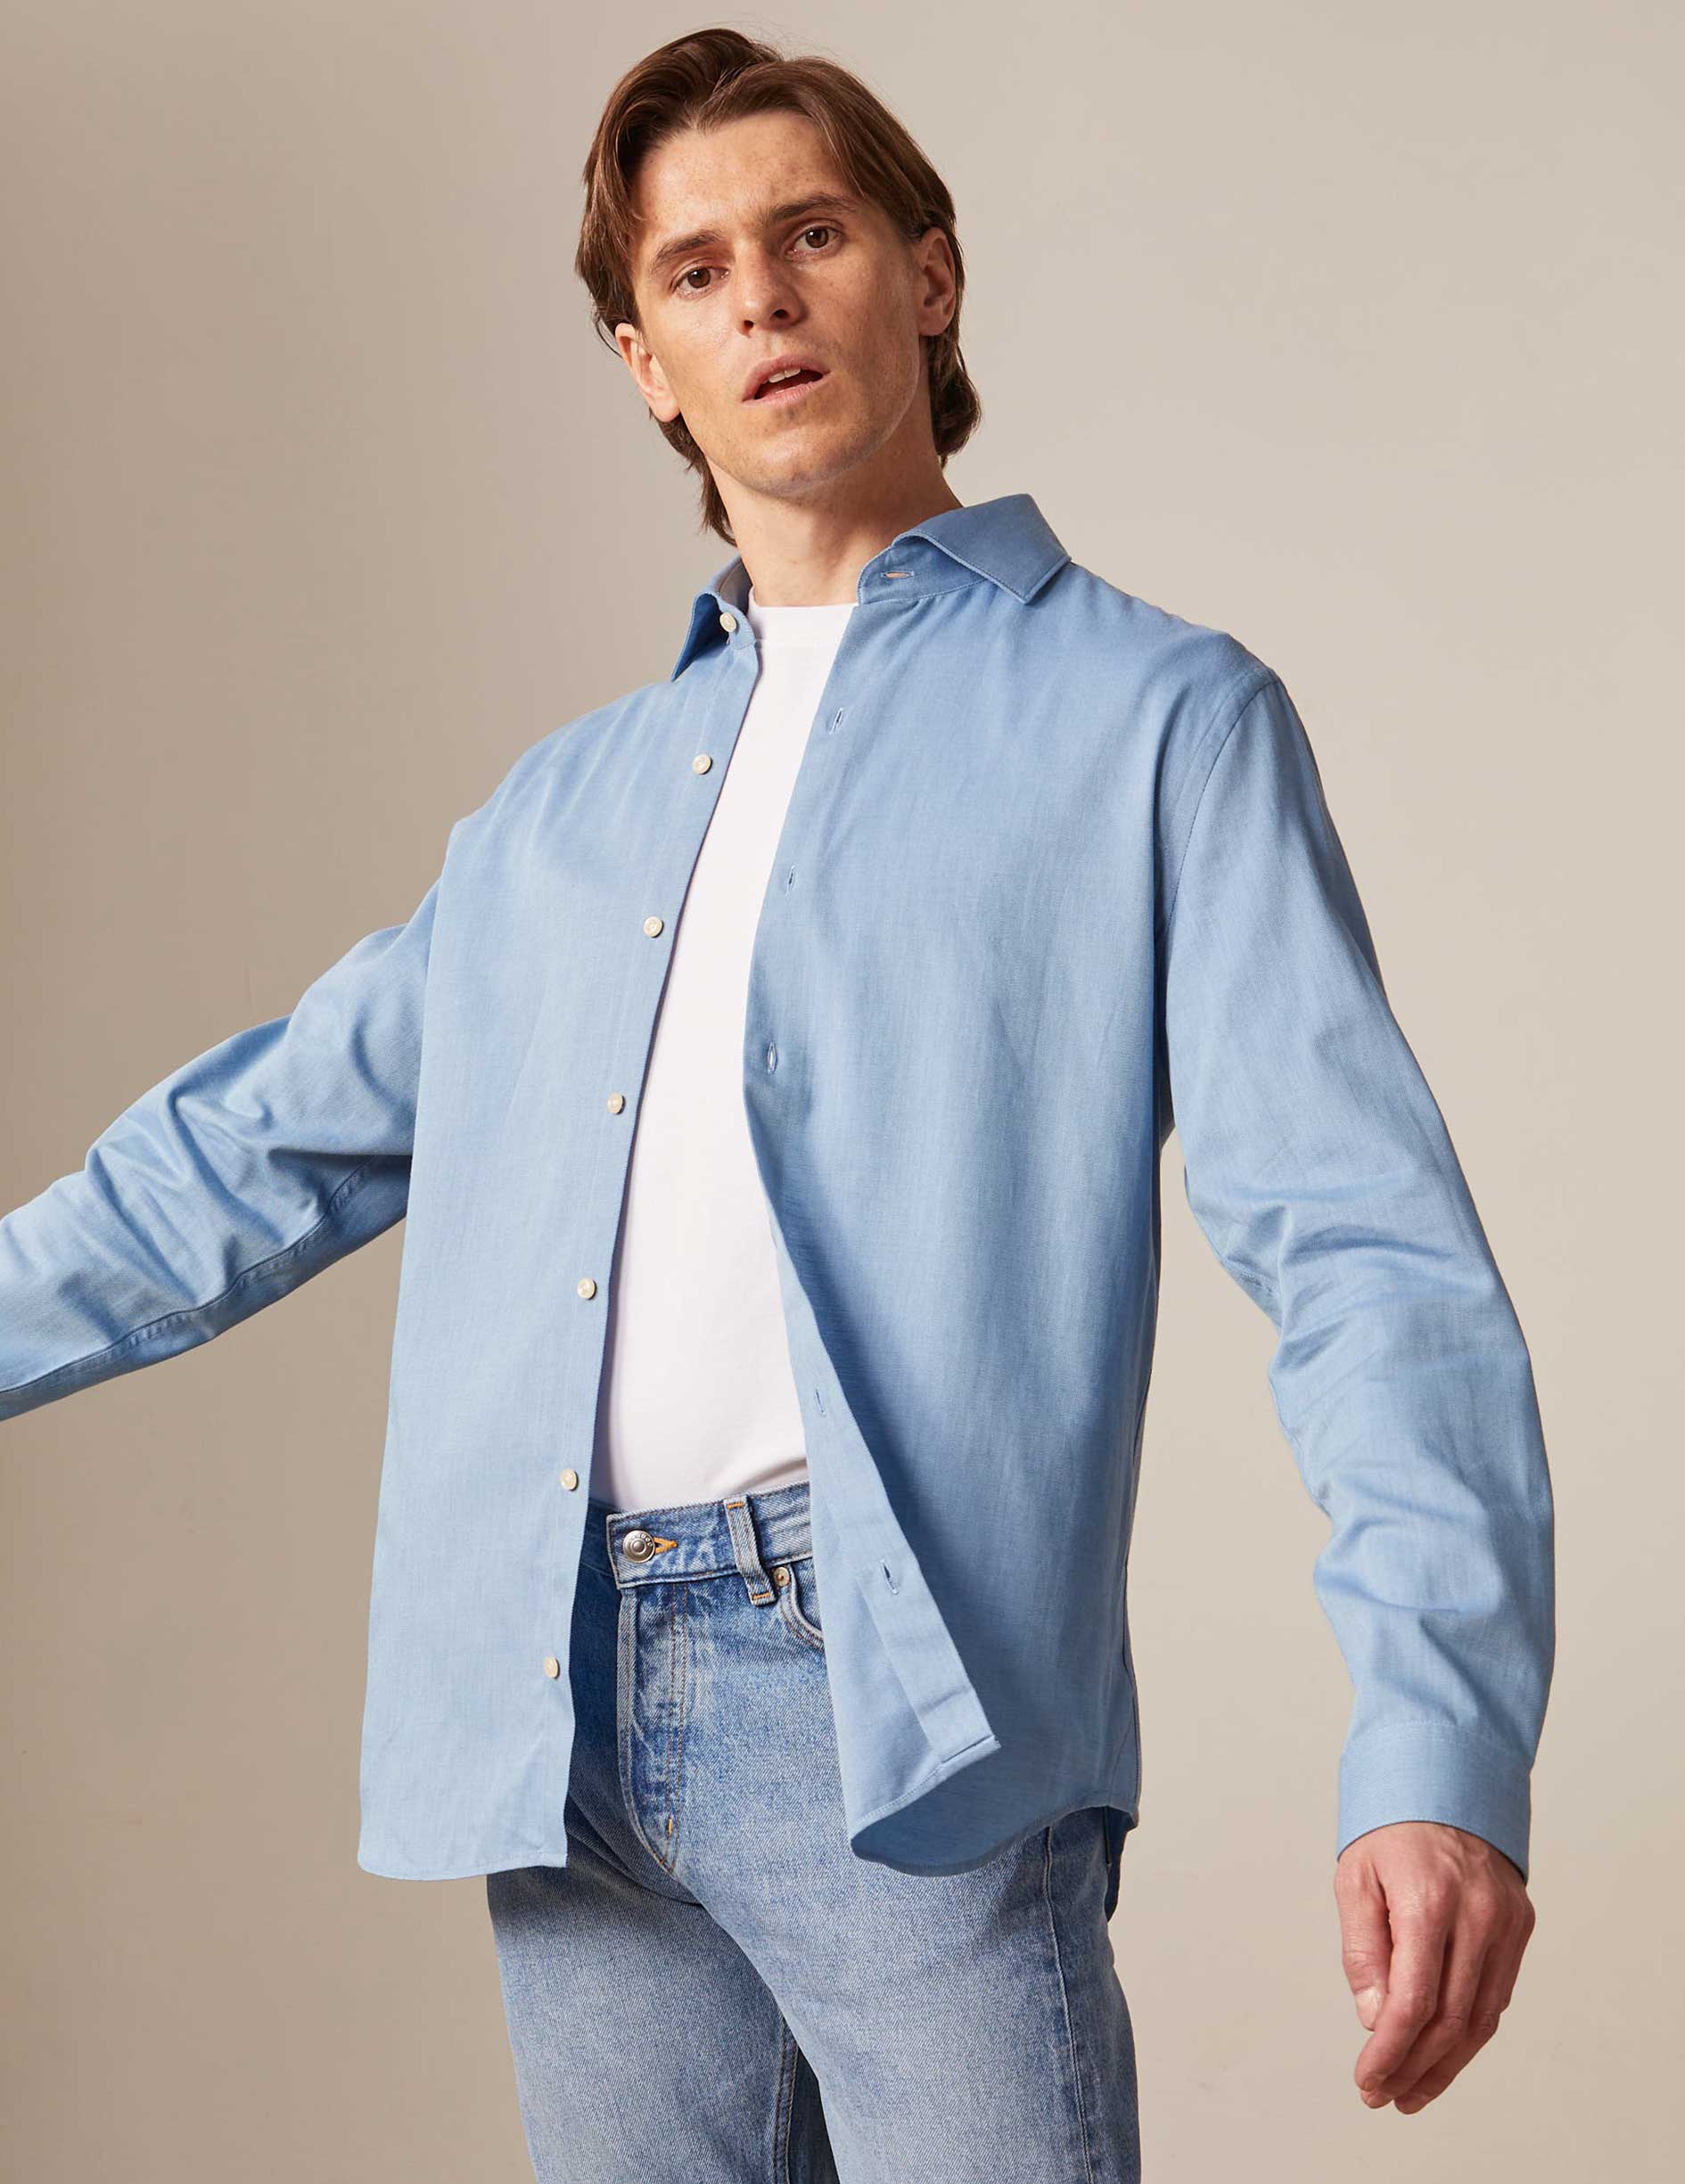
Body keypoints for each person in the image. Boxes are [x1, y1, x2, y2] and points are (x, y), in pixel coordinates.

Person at [0, 26, 1553, 2183]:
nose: (762, 300)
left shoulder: (1155, 719)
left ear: (928, 275)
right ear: (648, 364)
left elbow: (1368, 1249)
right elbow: (240, 1156)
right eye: (697, 270)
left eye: (811, 234)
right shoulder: (560, 818)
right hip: (553, 1721)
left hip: (901, 1714)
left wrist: (1438, 1744)